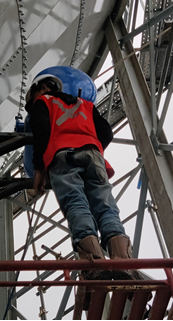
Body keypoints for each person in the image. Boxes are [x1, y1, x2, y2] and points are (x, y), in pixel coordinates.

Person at [25, 66, 139, 280]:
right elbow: (106, 132)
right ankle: (123, 263)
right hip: (93, 156)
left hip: (62, 156)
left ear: (42, 88)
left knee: (76, 203)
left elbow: (41, 132)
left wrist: (39, 168)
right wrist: (91, 146)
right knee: (106, 207)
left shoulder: (45, 102)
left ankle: (93, 262)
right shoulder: (85, 104)